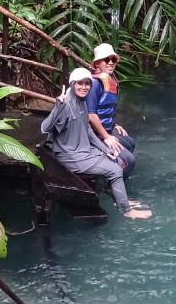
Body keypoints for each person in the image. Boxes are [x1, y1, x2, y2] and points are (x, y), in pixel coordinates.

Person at [41, 67, 151, 220]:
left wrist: (105, 149)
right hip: (70, 156)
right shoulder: (65, 105)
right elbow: (44, 128)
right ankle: (126, 210)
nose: (84, 87)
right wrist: (58, 107)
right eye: (80, 83)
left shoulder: (82, 102)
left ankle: (119, 199)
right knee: (115, 170)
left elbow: (88, 131)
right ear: (72, 84)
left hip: (85, 151)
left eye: (87, 84)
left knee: (118, 159)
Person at [86, 43, 136, 177]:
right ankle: (114, 186)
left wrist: (113, 124)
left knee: (130, 143)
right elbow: (91, 115)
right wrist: (106, 136)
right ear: (97, 63)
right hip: (95, 133)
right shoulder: (94, 83)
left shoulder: (110, 79)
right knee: (129, 161)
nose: (110, 62)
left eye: (113, 59)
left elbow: (105, 109)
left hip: (106, 128)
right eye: (106, 59)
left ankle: (117, 172)